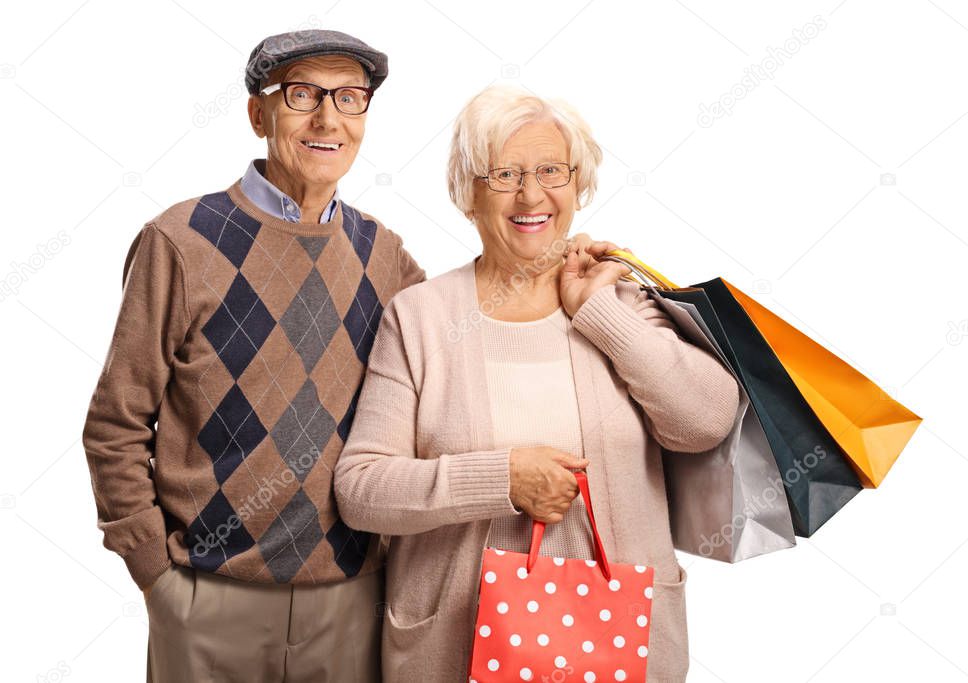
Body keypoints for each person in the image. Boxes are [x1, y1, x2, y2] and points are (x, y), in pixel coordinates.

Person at [82, 31, 616, 682]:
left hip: (353, 600)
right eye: (302, 95)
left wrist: (561, 265)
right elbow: (116, 423)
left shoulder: (381, 254)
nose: (328, 118)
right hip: (208, 593)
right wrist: (158, 579)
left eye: (350, 98)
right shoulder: (181, 241)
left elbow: (465, 328)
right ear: (259, 114)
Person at [334, 84, 741, 682]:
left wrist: (599, 316)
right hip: (453, 646)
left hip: (617, 646)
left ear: (578, 183)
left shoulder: (620, 298)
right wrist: (501, 480)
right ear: (468, 193)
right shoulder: (420, 316)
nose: (532, 195)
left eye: (551, 170)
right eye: (504, 175)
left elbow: (706, 421)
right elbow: (362, 489)